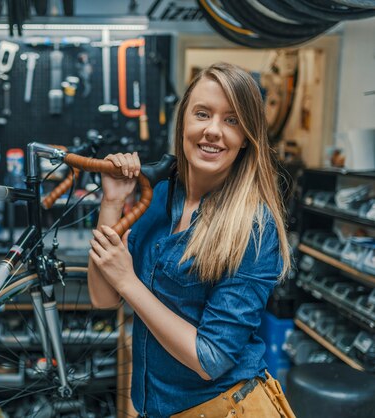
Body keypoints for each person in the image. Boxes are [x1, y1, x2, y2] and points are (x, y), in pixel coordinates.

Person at [87, 62, 296, 418]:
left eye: (231, 120)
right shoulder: (160, 197)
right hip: (155, 408)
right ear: (184, 121)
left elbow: (210, 358)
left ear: (246, 137)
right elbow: (102, 297)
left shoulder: (255, 227)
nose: (213, 130)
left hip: (225, 408)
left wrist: (129, 282)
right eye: (202, 114)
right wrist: (112, 203)